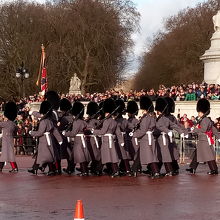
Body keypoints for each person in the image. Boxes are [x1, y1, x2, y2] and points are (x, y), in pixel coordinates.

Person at [91, 98, 124, 178]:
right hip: (111, 140)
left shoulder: (106, 121)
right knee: (112, 156)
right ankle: (115, 171)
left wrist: (94, 131)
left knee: (103, 156)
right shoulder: (114, 121)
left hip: (106, 140)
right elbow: (118, 132)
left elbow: (102, 132)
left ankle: (98, 170)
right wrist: (121, 141)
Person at [29, 101, 63, 176]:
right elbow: (55, 131)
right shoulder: (49, 120)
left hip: (44, 140)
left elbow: (40, 132)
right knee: (47, 155)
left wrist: (32, 133)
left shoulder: (44, 121)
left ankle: (50, 170)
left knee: (47, 156)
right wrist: (59, 139)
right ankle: (36, 168)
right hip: (49, 139)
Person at [187, 98, 219, 175]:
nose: (198, 114)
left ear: (203, 112)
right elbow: (213, 129)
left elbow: (204, 130)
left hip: (204, 140)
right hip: (203, 140)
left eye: (199, 112)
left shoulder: (204, 120)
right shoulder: (205, 119)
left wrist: (194, 129)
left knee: (208, 155)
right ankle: (192, 168)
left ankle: (214, 169)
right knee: (197, 154)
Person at [131, 96, 160, 178]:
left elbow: (143, 130)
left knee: (150, 156)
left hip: (146, 139)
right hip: (149, 138)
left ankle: (155, 172)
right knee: (142, 154)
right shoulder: (150, 117)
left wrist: (134, 134)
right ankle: (134, 169)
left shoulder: (146, 118)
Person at [155, 97, 184, 176]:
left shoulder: (164, 118)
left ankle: (168, 170)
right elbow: (176, 126)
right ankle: (156, 169)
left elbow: (160, 127)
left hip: (164, 138)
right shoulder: (168, 118)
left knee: (165, 154)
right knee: (165, 154)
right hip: (168, 137)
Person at [63, 101, 91, 176]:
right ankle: (72, 169)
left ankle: (84, 171)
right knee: (77, 156)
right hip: (83, 140)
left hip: (78, 141)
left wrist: (65, 133)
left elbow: (73, 133)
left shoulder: (76, 122)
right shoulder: (83, 121)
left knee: (80, 156)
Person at [164, 97, 188, 175]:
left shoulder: (164, 117)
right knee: (171, 153)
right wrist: (184, 131)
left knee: (165, 153)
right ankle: (175, 168)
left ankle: (154, 169)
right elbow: (179, 125)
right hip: (171, 136)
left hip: (165, 136)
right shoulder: (172, 117)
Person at [57, 98, 75, 174]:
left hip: (61, 136)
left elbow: (58, 127)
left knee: (59, 154)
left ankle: (58, 169)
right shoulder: (71, 116)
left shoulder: (60, 116)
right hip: (69, 137)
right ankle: (70, 168)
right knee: (69, 154)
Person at [114, 99, 131, 176]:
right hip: (124, 137)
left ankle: (119, 169)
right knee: (124, 154)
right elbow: (129, 127)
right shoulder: (124, 120)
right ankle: (126, 169)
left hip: (117, 138)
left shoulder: (115, 121)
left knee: (116, 154)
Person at [85, 101, 102, 175]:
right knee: (91, 153)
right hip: (89, 139)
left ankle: (97, 168)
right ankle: (92, 167)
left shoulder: (96, 121)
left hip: (94, 139)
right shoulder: (91, 120)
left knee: (95, 154)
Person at [0, 102, 18, 173]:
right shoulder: (13, 124)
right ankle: (14, 167)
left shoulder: (6, 123)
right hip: (10, 139)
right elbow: (15, 131)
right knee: (8, 154)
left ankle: (14, 167)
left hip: (6, 140)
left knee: (6, 154)